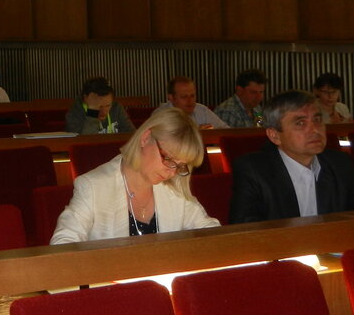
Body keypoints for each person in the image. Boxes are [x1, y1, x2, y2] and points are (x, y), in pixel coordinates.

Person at [51, 108, 219, 243]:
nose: (172, 172)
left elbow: (212, 232)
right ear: (145, 138)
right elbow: (63, 243)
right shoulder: (93, 186)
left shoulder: (174, 187)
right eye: (168, 158)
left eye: (181, 165)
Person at [229, 90, 354, 223]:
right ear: (274, 135)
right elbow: (246, 230)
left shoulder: (339, 164)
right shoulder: (253, 171)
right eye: (300, 123)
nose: (315, 130)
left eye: (317, 120)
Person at [65, 77, 136, 135]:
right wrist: (92, 112)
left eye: (108, 105)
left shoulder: (117, 108)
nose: (104, 111)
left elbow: (133, 136)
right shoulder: (74, 114)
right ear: (86, 98)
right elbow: (85, 143)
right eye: (99, 106)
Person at [156, 76, 227, 129]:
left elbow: (226, 131)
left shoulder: (202, 110)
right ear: (171, 98)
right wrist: (198, 133)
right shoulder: (160, 116)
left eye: (192, 96)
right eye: (184, 97)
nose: (190, 100)